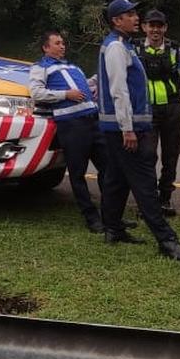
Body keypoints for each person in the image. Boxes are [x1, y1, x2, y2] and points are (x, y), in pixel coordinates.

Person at [96, 0, 180, 262]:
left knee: (116, 179)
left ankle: (113, 228)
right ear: (117, 21)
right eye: (130, 14)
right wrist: (127, 128)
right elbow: (119, 90)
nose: (136, 18)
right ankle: (167, 240)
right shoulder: (117, 48)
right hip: (125, 128)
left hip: (123, 126)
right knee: (144, 184)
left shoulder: (124, 46)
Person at [28, 30, 106, 232]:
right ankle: (91, 218)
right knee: (78, 173)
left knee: (108, 169)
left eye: (63, 43)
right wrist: (65, 94)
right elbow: (36, 92)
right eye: (57, 43)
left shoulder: (72, 66)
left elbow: (83, 87)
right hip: (71, 125)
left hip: (93, 121)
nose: (62, 46)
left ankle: (111, 214)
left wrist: (96, 81)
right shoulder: (40, 67)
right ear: (46, 47)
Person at [134, 10, 180, 216]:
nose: (155, 29)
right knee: (147, 156)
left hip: (171, 110)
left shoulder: (176, 50)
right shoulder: (134, 49)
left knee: (171, 156)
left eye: (159, 25)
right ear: (144, 27)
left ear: (165, 28)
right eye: (151, 25)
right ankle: (149, 202)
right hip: (146, 111)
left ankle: (165, 199)